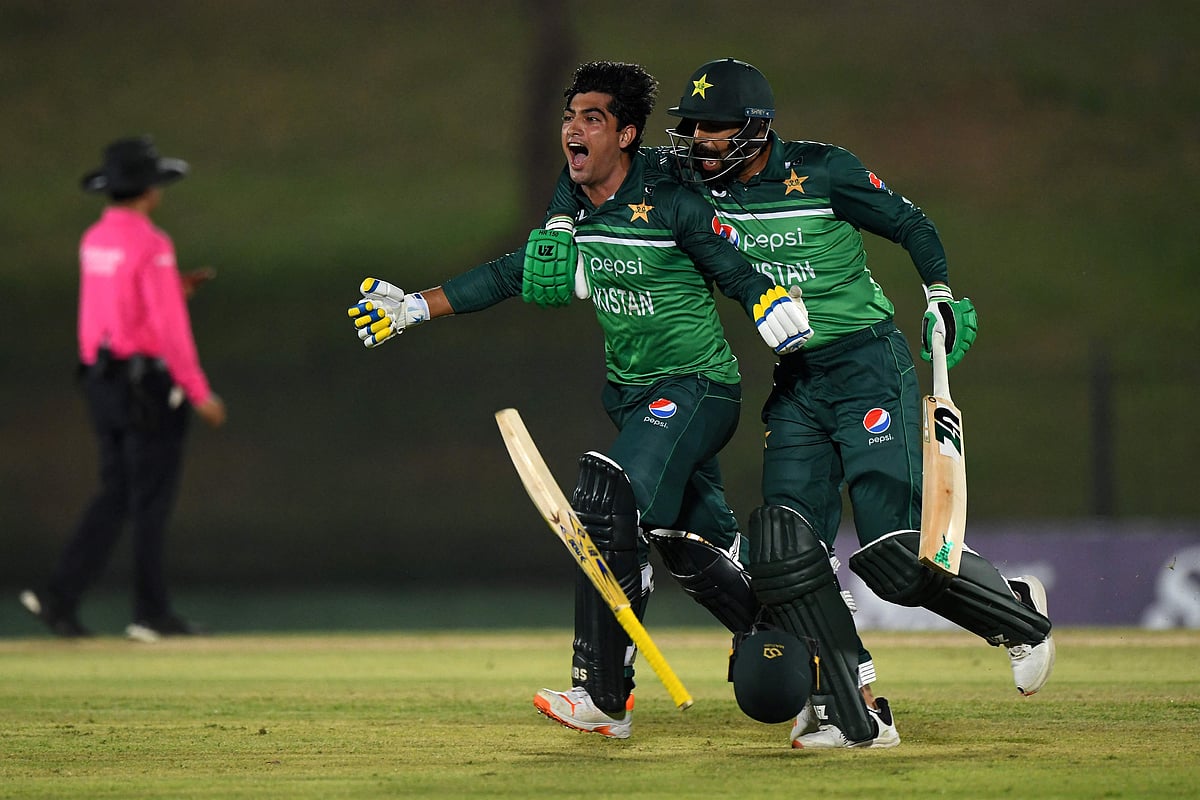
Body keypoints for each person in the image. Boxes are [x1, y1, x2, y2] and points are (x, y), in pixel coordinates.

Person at [535, 58, 1056, 749]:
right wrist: (559, 227)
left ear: (755, 133)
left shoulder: (824, 171)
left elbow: (912, 225)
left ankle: (1015, 613)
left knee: (896, 557)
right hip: (798, 383)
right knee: (785, 555)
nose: (697, 146)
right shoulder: (683, 175)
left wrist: (936, 294)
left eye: (714, 134)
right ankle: (855, 708)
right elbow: (590, 174)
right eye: (689, 132)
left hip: (869, 366)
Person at [346, 61, 811, 740]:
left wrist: (764, 297)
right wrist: (419, 305)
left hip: (697, 388)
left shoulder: (670, 194)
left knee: (608, 498)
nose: (573, 128)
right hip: (631, 395)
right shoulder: (572, 192)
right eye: (570, 116)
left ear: (625, 134)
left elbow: (725, 259)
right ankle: (804, 657)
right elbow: (514, 271)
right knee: (685, 543)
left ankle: (602, 696)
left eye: (592, 118)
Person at [20, 136, 227, 643]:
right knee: (151, 497)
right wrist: (197, 390)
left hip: (100, 379)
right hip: (146, 385)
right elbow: (168, 326)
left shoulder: (96, 240)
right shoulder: (151, 243)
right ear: (150, 190)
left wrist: (171, 286)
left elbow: (114, 308)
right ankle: (150, 613)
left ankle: (59, 595)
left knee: (117, 491)